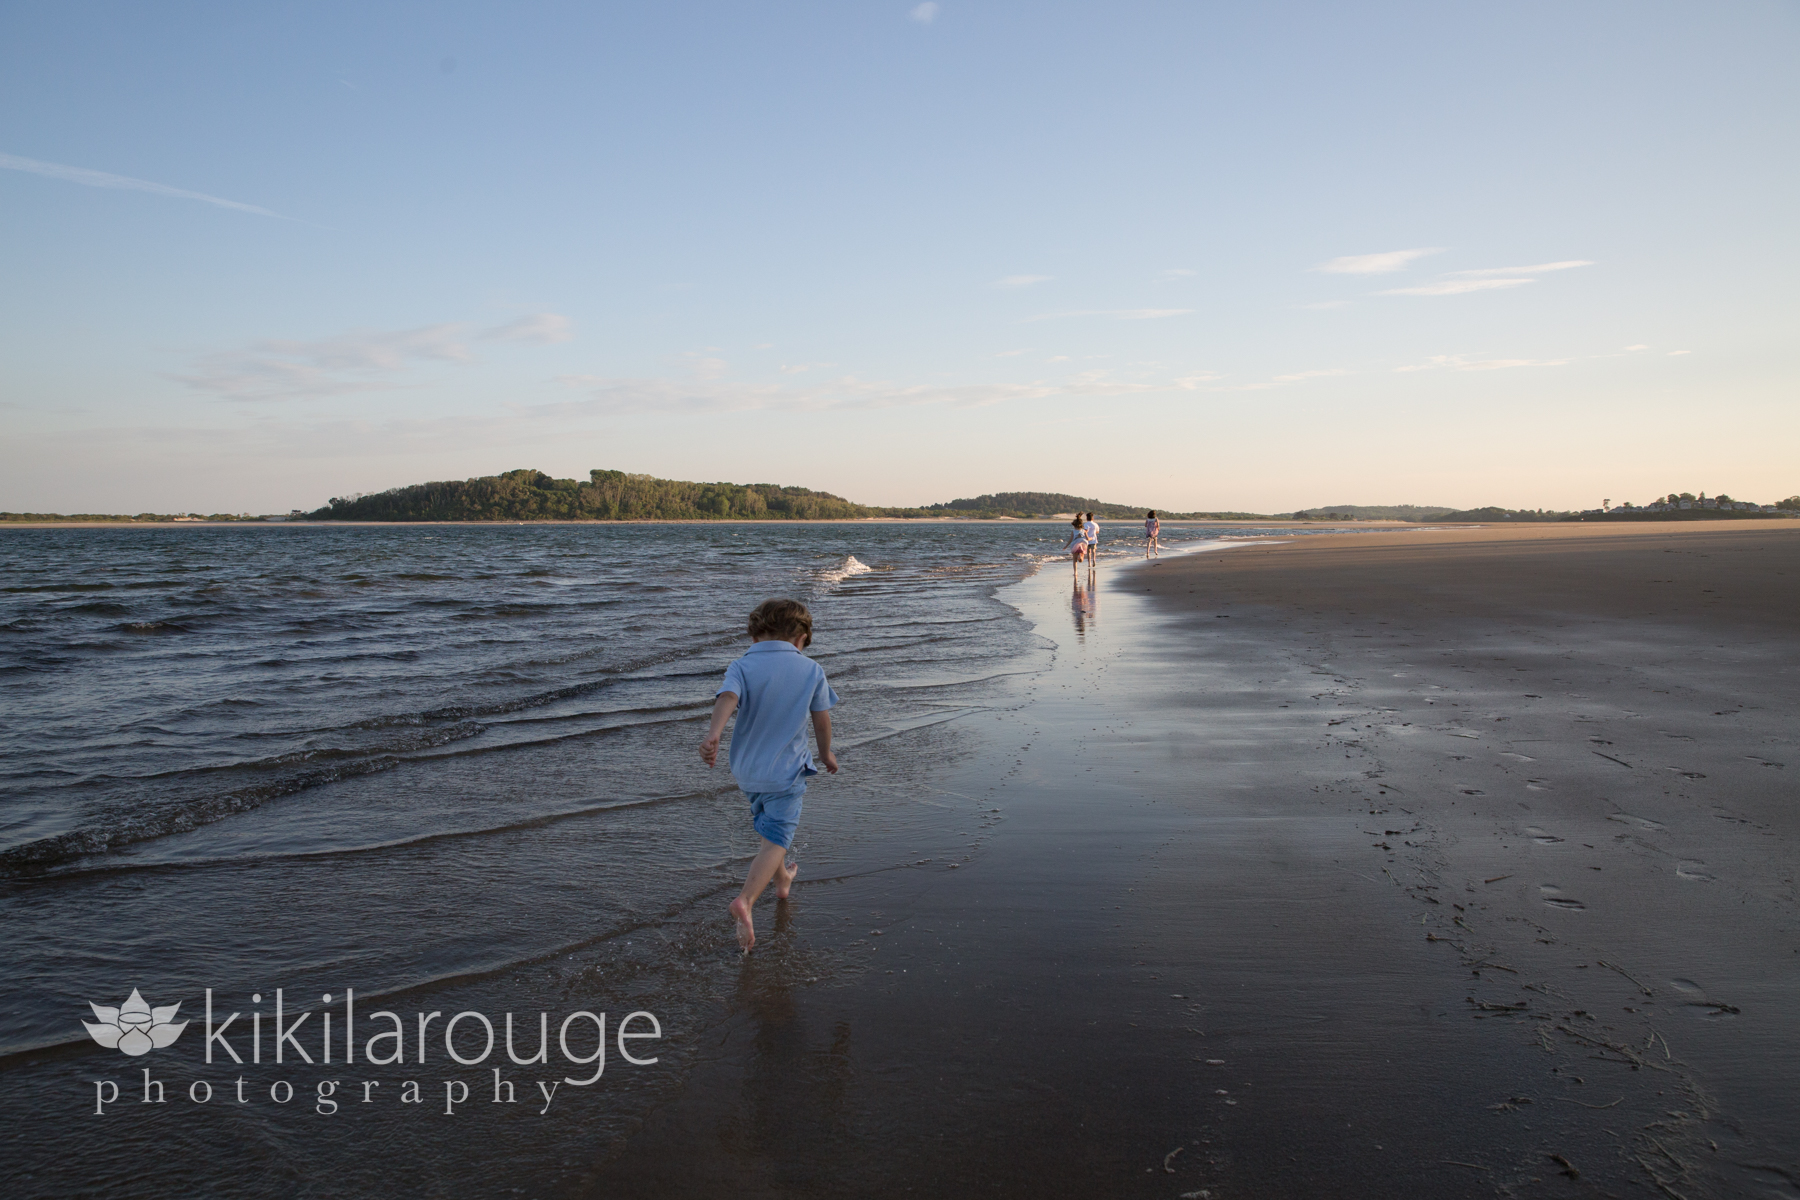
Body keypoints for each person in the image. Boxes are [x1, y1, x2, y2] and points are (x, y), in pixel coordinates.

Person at [699, 598, 840, 952]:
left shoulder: (742, 665)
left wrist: (714, 734)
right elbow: (821, 720)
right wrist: (825, 753)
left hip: (746, 770)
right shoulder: (810, 670)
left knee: (770, 826)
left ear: (756, 633)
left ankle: (783, 881)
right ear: (801, 638)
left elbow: (728, 697)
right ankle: (745, 900)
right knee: (778, 834)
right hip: (787, 771)